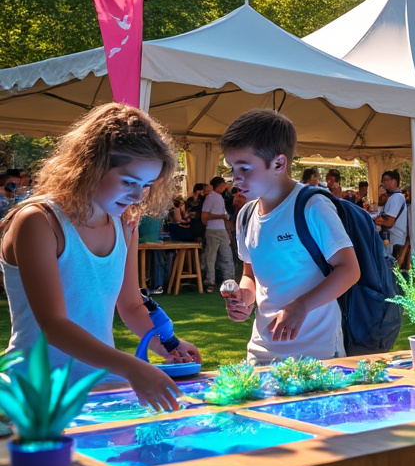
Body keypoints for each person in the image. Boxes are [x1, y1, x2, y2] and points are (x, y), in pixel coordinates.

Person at [1, 103, 200, 410]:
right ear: (91, 165)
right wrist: (132, 367)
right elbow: (53, 325)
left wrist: (168, 344)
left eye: (146, 186)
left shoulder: (125, 223)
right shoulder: (39, 221)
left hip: (101, 391)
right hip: (33, 397)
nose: (138, 196)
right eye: (129, 182)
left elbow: (131, 304)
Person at [222, 109, 359, 364]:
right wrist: (244, 298)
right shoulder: (246, 215)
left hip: (317, 355)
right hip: (260, 353)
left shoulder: (312, 206)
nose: (235, 178)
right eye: (232, 167)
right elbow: (250, 276)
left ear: (278, 164)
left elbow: (349, 270)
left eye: (244, 168)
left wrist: (301, 306)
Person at [200, 176, 234, 294]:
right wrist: (220, 217)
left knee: (225, 255)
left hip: (220, 229)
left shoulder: (219, 197)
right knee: (212, 257)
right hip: (213, 230)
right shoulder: (211, 197)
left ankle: (228, 281)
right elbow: (204, 217)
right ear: (220, 185)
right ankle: (211, 281)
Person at [374, 170, 409, 266]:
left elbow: (389, 222)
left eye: (386, 180)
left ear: (394, 181)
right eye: (383, 181)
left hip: (394, 241)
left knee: (391, 271)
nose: (384, 183)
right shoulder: (394, 197)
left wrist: (378, 221)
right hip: (393, 240)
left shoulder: (396, 197)